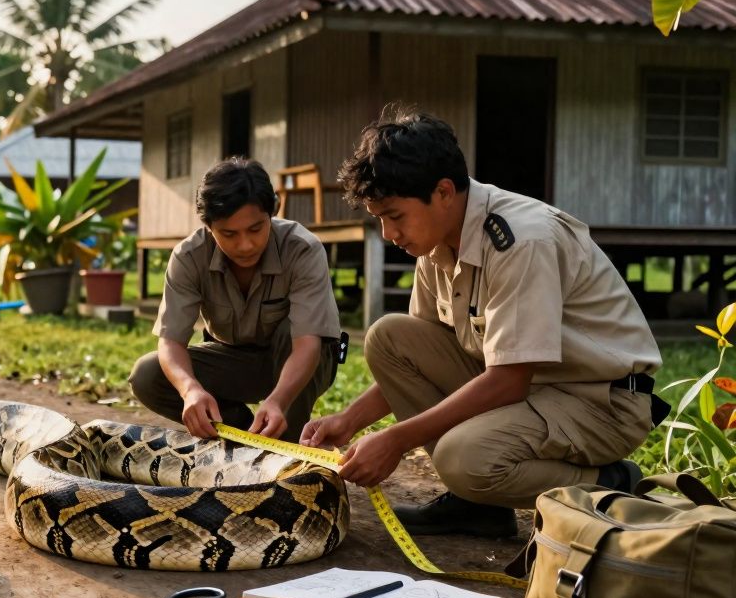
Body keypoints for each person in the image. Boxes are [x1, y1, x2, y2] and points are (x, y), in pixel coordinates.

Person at [300, 108, 668, 537]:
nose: (387, 233)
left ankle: (609, 485)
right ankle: (478, 506)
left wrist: (396, 440)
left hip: (598, 401)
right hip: (532, 387)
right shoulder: (435, 244)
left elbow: (509, 379)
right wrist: (348, 420)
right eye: (378, 218)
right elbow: (418, 358)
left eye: (395, 215)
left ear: (442, 192)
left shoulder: (521, 240)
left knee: (464, 459)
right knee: (388, 339)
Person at [129, 158, 343, 443]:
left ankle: (285, 441)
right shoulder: (189, 256)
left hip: (301, 360)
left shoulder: (302, 249)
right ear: (208, 227)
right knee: (147, 374)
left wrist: (277, 400)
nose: (245, 245)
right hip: (233, 360)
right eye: (228, 234)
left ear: (272, 213)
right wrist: (190, 389)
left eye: (256, 229)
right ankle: (240, 431)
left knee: (290, 336)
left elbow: (307, 344)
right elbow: (170, 342)